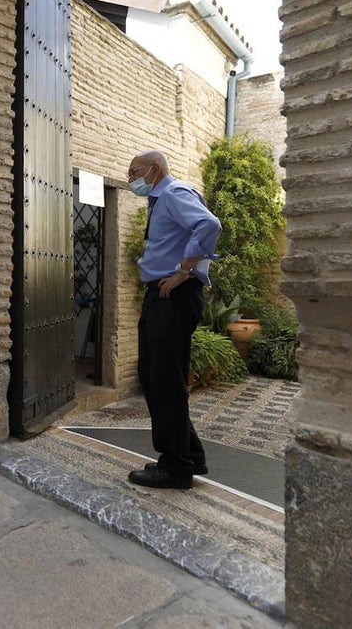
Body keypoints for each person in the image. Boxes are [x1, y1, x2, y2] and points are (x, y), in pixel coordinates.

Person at [125, 150, 221, 489]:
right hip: (163, 296)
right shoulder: (161, 199)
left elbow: (209, 224)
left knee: (163, 377)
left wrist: (183, 272)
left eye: (134, 171)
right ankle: (189, 455)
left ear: (154, 169)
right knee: (156, 374)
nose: (130, 178)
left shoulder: (173, 193)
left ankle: (176, 466)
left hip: (173, 296)